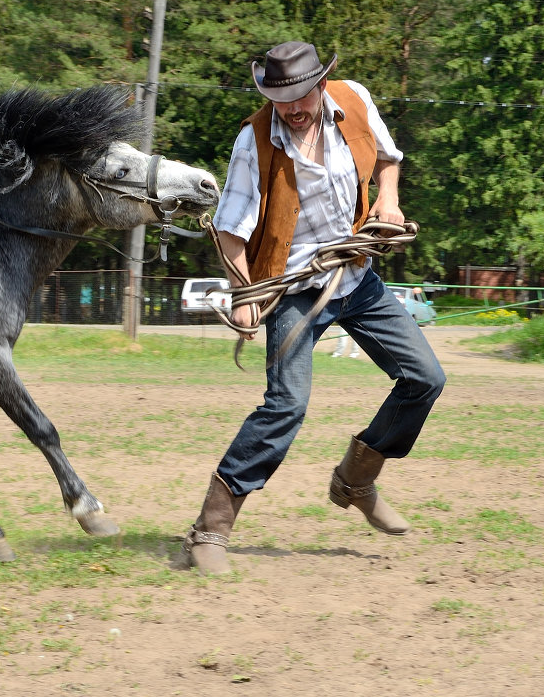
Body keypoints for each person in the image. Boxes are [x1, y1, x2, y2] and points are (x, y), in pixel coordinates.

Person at [176, 41, 446, 574]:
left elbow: (388, 159)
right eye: (282, 100)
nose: (294, 108)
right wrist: (245, 294)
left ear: (321, 85)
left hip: (356, 276)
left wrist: (388, 201)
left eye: (302, 96)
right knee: (286, 405)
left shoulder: (355, 101)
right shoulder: (253, 141)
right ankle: (210, 530)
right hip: (292, 288)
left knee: (425, 377)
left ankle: (356, 479)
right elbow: (230, 230)